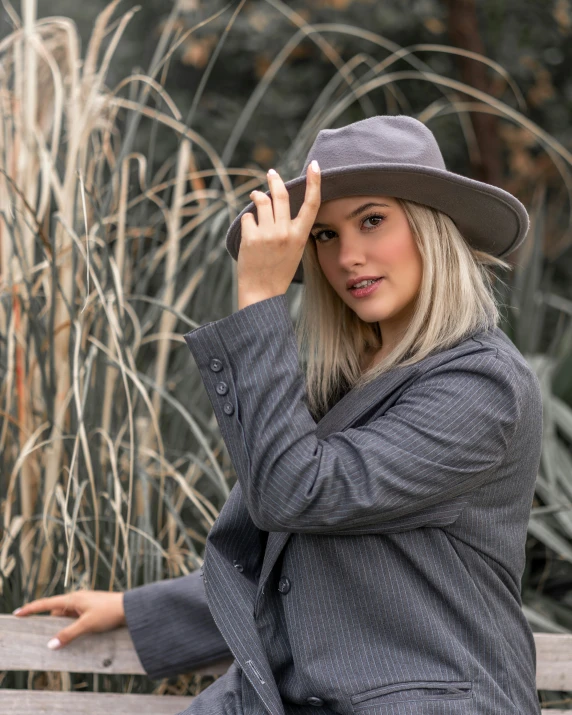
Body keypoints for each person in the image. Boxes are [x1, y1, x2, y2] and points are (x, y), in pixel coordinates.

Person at [14, 115, 543, 715]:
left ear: (430, 228)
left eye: (373, 221)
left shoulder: (482, 384)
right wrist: (139, 613)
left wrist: (261, 303)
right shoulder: (349, 384)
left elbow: (298, 493)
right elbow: (309, 569)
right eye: (322, 235)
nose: (348, 256)